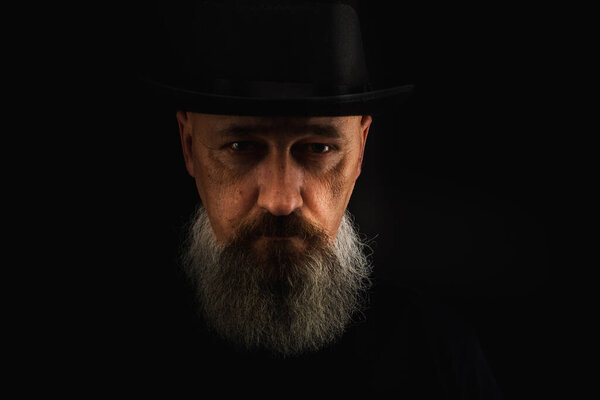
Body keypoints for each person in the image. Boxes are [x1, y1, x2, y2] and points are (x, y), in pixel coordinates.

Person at [133, 0, 504, 397]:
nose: (280, 200)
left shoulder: (441, 360)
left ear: (360, 149)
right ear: (188, 146)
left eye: (318, 149)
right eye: (241, 146)